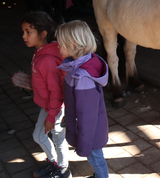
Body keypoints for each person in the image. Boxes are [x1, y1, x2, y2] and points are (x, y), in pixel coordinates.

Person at [56, 20, 110, 178]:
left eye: (60, 44)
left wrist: (84, 143)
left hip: (89, 131)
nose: (58, 48)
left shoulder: (82, 76)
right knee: (95, 157)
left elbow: (87, 114)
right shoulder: (84, 63)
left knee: (95, 157)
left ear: (73, 43)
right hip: (89, 128)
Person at [21, 11, 70, 178]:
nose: (24, 36)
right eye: (24, 32)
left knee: (52, 137)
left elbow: (56, 90)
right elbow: (47, 80)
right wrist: (33, 82)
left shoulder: (47, 59)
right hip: (49, 105)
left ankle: (61, 168)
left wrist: (51, 116)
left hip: (56, 107)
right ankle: (55, 163)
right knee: (46, 136)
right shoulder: (42, 51)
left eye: (29, 32)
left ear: (43, 34)